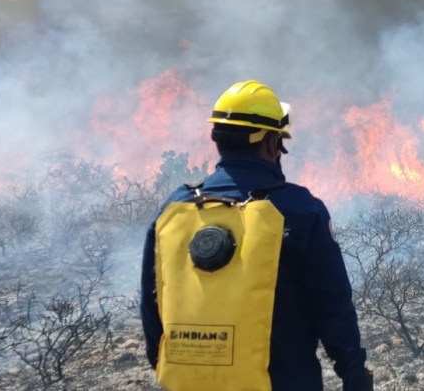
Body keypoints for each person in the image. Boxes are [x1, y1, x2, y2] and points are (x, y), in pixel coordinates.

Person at [140, 80, 371, 391]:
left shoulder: (174, 208)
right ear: (271, 143)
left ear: (217, 139)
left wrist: (179, 370)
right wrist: (354, 374)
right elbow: (332, 306)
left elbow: (153, 305)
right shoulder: (301, 211)